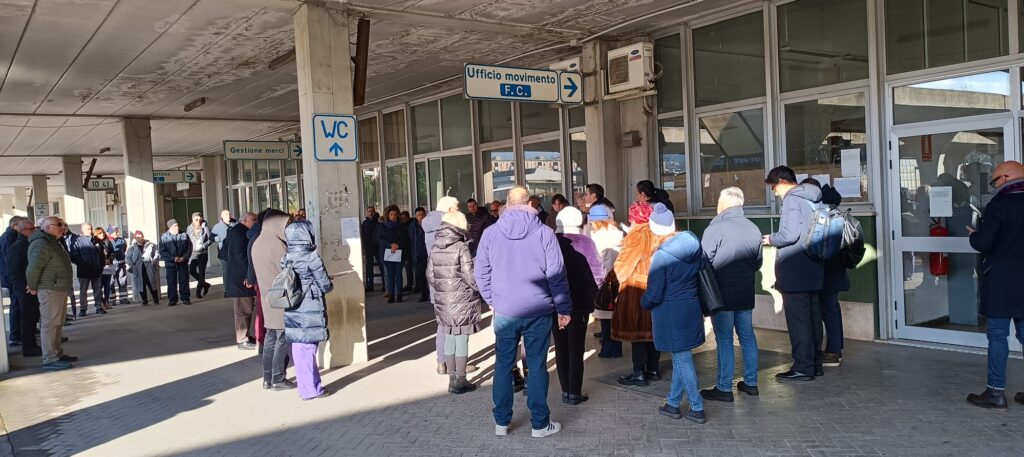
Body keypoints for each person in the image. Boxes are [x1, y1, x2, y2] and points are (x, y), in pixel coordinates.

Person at [475, 186, 569, 438]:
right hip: (538, 309)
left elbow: (480, 272)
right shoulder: (545, 233)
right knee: (537, 366)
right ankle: (540, 424)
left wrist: (492, 299)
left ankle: (501, 423)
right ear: (530, 204)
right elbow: (556, 274)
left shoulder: (491, 233)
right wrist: (564, 308)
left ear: (507, 203)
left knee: (503, 364)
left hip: (505, 309)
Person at [965, 161, 1024, 410]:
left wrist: (973, 235)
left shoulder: (999, 205)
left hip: (1001, 280)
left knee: (998, 336)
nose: (994, 186)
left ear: (1007, 178)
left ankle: (995, 392)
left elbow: (984, 243)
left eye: (994, 180)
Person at [641, 208, 706, 424]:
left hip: (670, 314)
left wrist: (643, 303)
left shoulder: (661, 255)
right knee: (681, 355)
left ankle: (697, 406)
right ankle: (673, 402)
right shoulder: (693, 245)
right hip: (691, 307)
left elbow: (654, 293)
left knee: (682, 358)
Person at [700, 187, 763, 402]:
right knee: (747, 336)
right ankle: (751, 383)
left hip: (721, 294)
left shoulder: (716, 228)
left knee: (725, 339)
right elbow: (757, 262)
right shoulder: (753, 228)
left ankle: (724, 387)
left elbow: (703, 260)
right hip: (745, 292)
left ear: (724, 204)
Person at [764, 166, 825, 381]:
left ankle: (802, 367)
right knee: (813, 317)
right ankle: (816, 363)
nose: (774, 193)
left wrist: (770, 239)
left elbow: (789, 235)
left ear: (782, 181)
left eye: (774, 187)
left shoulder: (792, 199)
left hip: (795, 267)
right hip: (814, 264)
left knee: (798, 321)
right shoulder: (815, 197)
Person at [427, 211, 482, 395]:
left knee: (450, 337)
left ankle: (452, 379)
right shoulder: (461, 247)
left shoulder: (436, 246)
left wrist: (443, 289)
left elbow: (430, 275)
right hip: (462, 300)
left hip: (444, 301)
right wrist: (478, 289)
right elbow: (470, 276)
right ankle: (461, 378)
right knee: (462, 339)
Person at [613, 188, 664, 386]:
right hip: (656, 285)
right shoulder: (658, 233)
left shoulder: (636, 235)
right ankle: (653, 369)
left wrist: (618, 280)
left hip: (637, 289)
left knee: (638, 333)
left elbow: (623, 265)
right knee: (653, 330)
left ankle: (639, 372)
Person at [553, 206, 603, 405]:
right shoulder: (586, 242)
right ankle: (574, 392)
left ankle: (565, 389)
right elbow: (597, 272)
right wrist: (594, 294)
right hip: (579, 302)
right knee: (576, 347)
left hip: (555, 303)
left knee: (560, 347)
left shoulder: (550, 241)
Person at [282, 219, 333, 400]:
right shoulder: (312, 257)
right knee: (309, 348)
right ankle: (311, 390)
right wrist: (328, 282)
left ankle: (309, 387)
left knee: (300, 348)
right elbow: (325, 285)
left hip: (293, 306)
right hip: (310, 306)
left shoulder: (286, 257)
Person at [423, 196, 469, 375]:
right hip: (456, 284)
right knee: (456, 328)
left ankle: (443, 362)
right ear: (449, 209)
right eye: (456, 207)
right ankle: (455, 365)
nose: (458, 210)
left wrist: (437, 285)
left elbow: (430, 270)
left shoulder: (429, 226)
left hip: (439, 283)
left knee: (443, 324)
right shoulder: (450, 228)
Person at [27, 216, 76, 370]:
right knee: (50, 324)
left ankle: (57, 353)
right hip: (50, 288)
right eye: (59, 224)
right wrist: (32, 286)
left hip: (58, 287)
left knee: (57, 323)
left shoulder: (52, 241)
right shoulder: (41, 243)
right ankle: (50, 358)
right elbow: (33, 267)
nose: (63, 227)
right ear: (48, 227)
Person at [253, 210, 292, 390]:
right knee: (282, 338)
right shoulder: (276, 245)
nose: (287, 228)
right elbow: (287, 272)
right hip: (280, 298)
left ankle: (267, 378)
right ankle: (278, 378)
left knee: (270, 338)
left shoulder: (259, 241)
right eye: (285, 224)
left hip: (267, 297)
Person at [588, 203, 624, 358]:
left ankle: (608, 348)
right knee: (614, 315)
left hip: (604, 279)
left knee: (605, 315)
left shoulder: (597, 237)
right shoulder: (617, 233)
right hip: (619, 277)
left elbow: (600, 260)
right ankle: (615, 346)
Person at [6, 218, 41, 357]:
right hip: (24, 288)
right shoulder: (17, 247)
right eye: (32, 229)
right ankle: (28, 347)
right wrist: (25, 286)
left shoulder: (28, 244)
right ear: (23, 231)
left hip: (31, 286)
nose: (34, 231)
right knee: (27, 317)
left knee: (33, 317)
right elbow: (13, 271)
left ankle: (32, 344)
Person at [223, 212, 258, 350]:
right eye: (253, 219)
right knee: (243, 309)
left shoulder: (237, 231)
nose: (255, 222)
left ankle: (245, 336)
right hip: (241, 278)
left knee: (245, 308)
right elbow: (241, 257)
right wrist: (249, 275)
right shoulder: (240, 234)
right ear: (245, 220)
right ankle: (242, 339)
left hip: (239, 277)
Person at [68, 223, 105, 316]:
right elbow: (74, 256)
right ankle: (83, 309)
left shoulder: (96, 240)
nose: (90, 230)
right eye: (88, 229)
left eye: (91, 228)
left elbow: (101, 255)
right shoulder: (78, 241)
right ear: (82, 230)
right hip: (84, 270)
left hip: (96, 270)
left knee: (97, 289)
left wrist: (101, 266)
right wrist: (82, 264)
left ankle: (99, 307)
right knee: (83, 291)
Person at [1, 216, 27, 346]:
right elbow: (9, 260)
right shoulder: (8, 238)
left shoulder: (12, 236)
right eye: (21, 225)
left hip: (12, 277)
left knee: (19, 305)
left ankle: (19, 332)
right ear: (14, 225)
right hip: (12, 278)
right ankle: (15, 335)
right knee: (16, 305)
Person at [159, 219, 192, 306]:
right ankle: (172, 299)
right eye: (175, 226)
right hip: (171, 264)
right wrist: (173, 258)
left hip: (183, 262)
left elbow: (189, 248)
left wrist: (184, 257)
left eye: (177, 225)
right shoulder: (164, 237)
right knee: (171, 281)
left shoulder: (184, 235)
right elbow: (162, 252)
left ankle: (185, 298)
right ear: (170, 227)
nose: (177, 227)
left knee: (184, 281)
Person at [378, 206, 406, 303]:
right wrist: (390, 245)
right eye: (391, 214)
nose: (393, 216)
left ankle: (399, 295)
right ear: (388, 215)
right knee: (390, 274)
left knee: (398, 274)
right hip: (387, 253)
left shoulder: (401, 226)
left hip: (399, 252)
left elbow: (404, 238)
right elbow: (380, 239)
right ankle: (391, 295)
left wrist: (398, 245)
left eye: (395, 214)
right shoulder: (383, 226)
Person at [125, 230, 160, 305]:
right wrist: (132, 265)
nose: (140, 239)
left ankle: (156, 299)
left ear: (143, 237)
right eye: (138, 238)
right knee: (141, 285)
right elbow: (127, 258)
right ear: (135, 238)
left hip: (148, 267)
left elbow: (156, 254)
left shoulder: (151, 245)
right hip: (138, 269)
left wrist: (153, 262)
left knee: (151, 283)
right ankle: (144, 300)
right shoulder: (132, 248)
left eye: (141, 237)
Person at [186, 212, 212, 298]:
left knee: (201, 273)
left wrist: (204, 246)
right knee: (191, 270)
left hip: (202, 253)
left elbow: (211, 239)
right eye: (196, 220)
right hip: (193, 253)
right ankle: (205, 284)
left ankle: (198, 291)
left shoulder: (206, 227)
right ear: (192, 220)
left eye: (200, 219)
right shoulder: (189, 228)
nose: (198, 221)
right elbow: (187, 239)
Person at [410, 207, 430, 302]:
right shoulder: (413, 226)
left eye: (422, 215)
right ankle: (424, 294)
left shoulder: (430, 225)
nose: (421, 217)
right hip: (418, 254)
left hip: (429, 253)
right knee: (421, 276)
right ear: (415, 216)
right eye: (418, 215)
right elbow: (411, 239)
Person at [93, 226, 116, 309]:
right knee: (99, 286)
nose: (102, 234)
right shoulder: (94, 242)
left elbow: (113, 253)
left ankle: (107, 301)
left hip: (108, 267)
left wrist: (110, 259)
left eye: (103, 232)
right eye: (100, 233)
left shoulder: (107, 241)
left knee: (107, 285)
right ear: (96, 234)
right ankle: (101, 302)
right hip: (99, 267)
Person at [211, 209, 236, 282]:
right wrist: (219, 238)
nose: (228, 216)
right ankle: (226, 288)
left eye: (229, 214)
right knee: (226, 272)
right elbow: (211, 237)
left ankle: (234, 287)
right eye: (226, 214)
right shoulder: (217, 226)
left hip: (235, 252)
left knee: (235, 271)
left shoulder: (236, 224)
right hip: (223, 253)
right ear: (222, 216)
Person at [361, 206, 382, 292]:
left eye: (372, 211)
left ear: (374, 212)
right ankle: (370, 285)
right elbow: (363, 235)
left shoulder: (378, 222)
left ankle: (385, 285)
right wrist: (363, 247)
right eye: (369, 211)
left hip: (378, 247)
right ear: (367, 212)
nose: (370, 213)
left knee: (381, 266)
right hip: (368, 247)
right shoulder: (365, 223)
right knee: (369, 267)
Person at [107, 226, 129, 305]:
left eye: (117, 231)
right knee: (110, 282)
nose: (118, 233)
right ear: (110, 233)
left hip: (121, 263)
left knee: (122, 281)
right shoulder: (107, 241)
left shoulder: (122, 240)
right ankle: (112, 300)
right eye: (115, 232)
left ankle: (123, 299)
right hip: (110, 264)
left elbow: (124, 249)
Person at [400, 210, 414, 291]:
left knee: (413, 269)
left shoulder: (411, 225)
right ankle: (409, 284)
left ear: (408, 217)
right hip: (405, 250)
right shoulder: (402, 226)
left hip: (410, 250)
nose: (403, 220)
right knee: (408, 269)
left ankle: (412, 285)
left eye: (404, 218)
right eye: (402, 219)